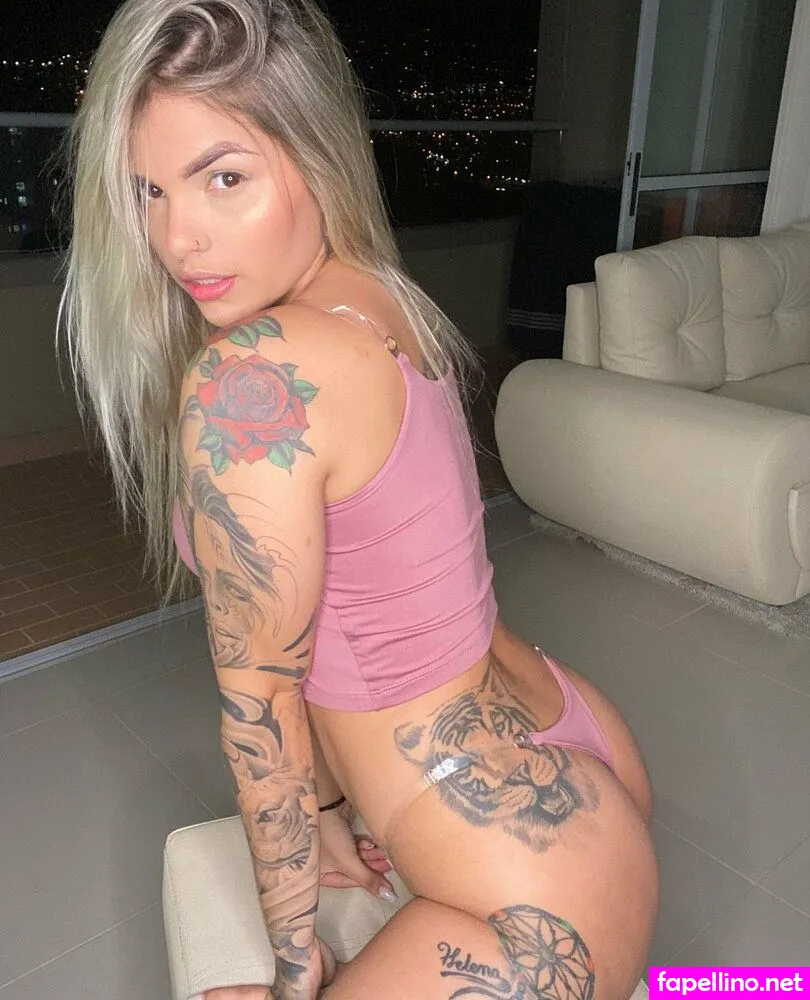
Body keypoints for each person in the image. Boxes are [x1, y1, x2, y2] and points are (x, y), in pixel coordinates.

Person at [60, 0, 660, 997]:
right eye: (148, 189)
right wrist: (336, 808)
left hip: (524, 900)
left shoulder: (256, 373)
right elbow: (361, 602)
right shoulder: (380, 297)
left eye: (224, 178)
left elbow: (262, 715)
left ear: (318, 154)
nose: (176, 235)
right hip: (572, 741)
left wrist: (298, 974)